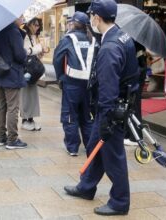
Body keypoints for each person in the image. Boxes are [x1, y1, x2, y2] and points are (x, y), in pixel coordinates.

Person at [63, 0, 140, 216]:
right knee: (93, 146)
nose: (90, 21)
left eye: (91, 17)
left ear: (97, 18)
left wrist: (106, 120)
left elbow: (108, 89)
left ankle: (120, 202)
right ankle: (86, 186)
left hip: (111, 111)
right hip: (115, 108)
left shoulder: (110, 47)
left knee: (112, 156)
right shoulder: (121, 35)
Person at [53, 11, 95, 156]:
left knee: (70, 115)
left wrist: (60, 77)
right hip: (89, 86)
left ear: (74, 23)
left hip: (71, 84)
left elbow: (57, 59)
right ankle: (90, 148)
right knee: (87, 116)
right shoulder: (93, 40)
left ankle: (72, 147)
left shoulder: (68, 39)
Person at [0, 17, 28, 150]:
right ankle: (12, 139)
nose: (23, 19)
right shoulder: (13, 31)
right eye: (20, 16)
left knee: (1, 105)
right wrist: (26, 52)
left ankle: (1, 137)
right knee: (13, 107)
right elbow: (20, 55)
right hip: (11, 73)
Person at [20, 18, 48, 131]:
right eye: (35, 25)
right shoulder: (23, 35)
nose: (37, 27)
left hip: (33, 70)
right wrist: (38, 48)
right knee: (26, 94)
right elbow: (25, 52)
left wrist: (40, 53)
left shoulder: (33, 36)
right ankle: (25, 120)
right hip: (26, 70)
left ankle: (31, 119)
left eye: (38, 25)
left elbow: (33, 54)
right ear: (29, 24)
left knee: (33, 94)